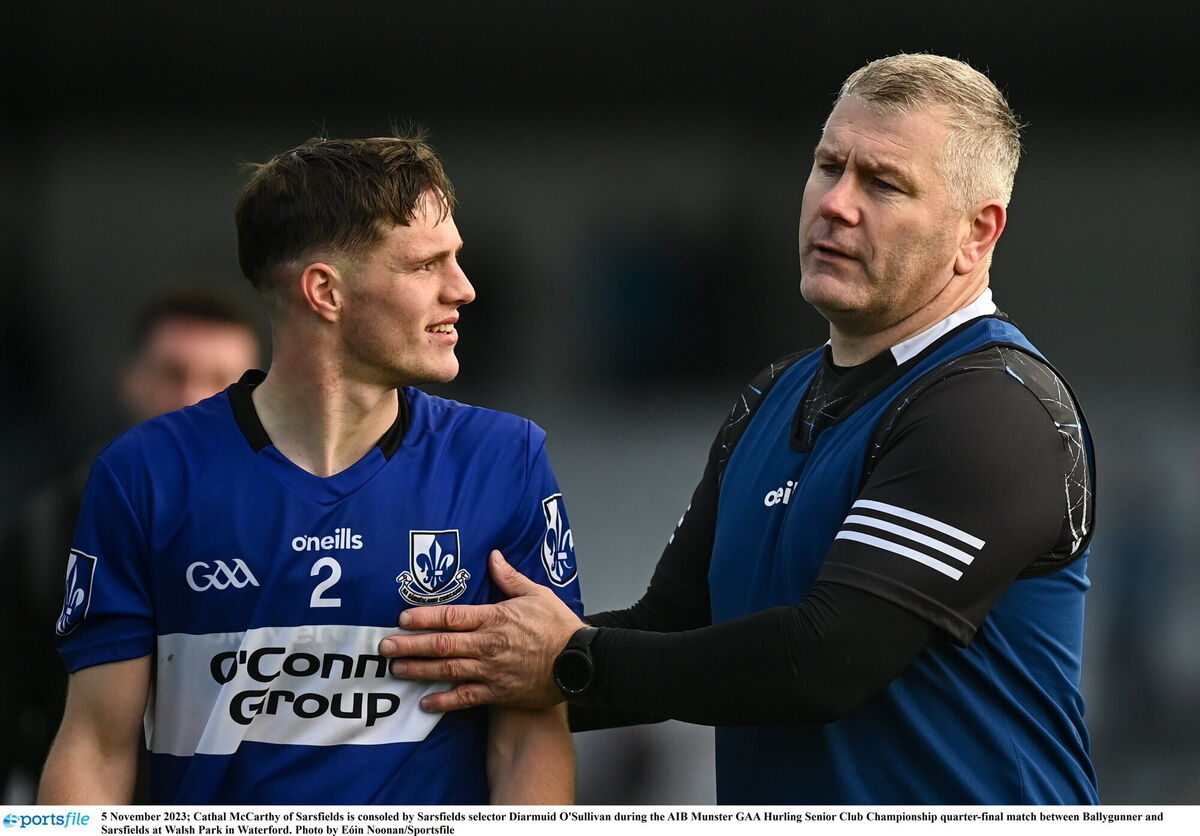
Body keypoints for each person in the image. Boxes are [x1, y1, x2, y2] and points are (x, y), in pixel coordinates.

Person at [377, 54, 1099, 805]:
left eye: (883, 183)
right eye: (828, 167)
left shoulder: (991, 407)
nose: (836, 204)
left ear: (977, 234)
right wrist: (432, 676)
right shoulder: (773, 395)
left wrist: (567, 661)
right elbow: (670, 631)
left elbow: (825, 661)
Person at [38, 135, 582, 804]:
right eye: (426, 265)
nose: (462, 289)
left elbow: (530, 735)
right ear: (325, 291)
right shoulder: (143, 474)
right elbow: (95, 746)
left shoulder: (504, 461)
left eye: (458, 260)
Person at [1, 288, 261, 803]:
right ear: (130, 381)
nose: (191, 399)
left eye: (218, 381)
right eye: (173, 373)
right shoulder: (44, 533)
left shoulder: (303, 526)